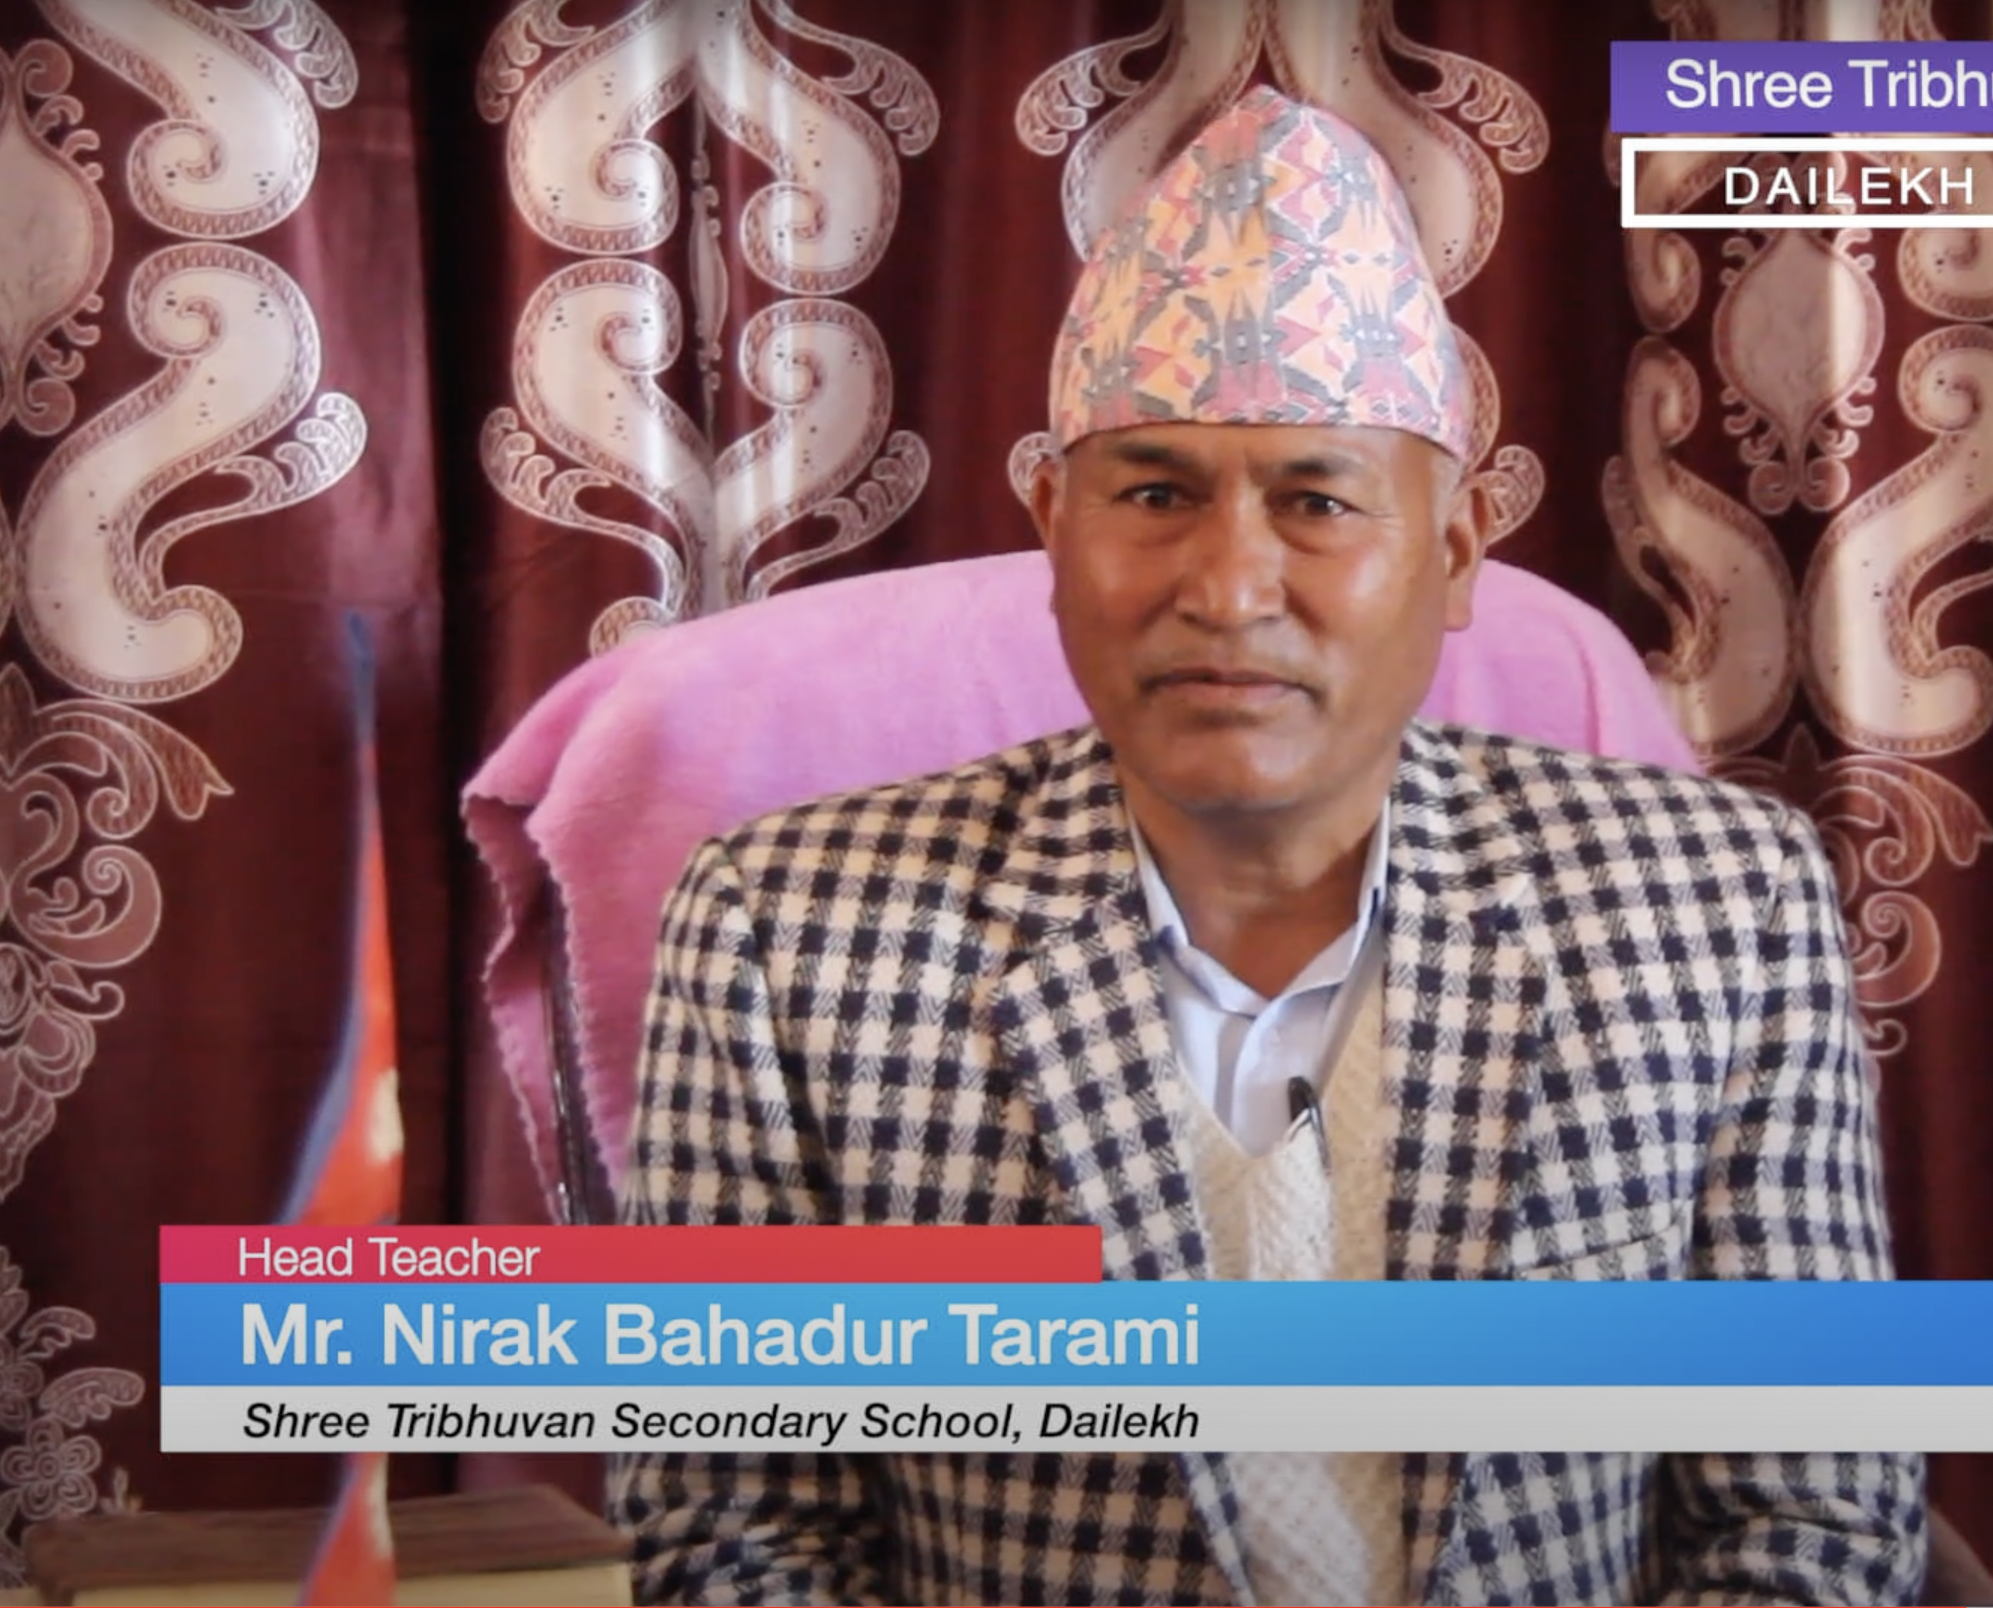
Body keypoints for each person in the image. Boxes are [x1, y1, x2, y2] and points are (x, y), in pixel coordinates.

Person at [616, 85, 1926, 1606]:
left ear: (1452, 555)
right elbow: (735, 1528)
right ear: (1052, 528)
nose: (1230, 588)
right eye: (1153, 494)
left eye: (1316, 501)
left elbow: (1810, 1511)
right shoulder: (789, 931)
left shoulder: (1714, 905)